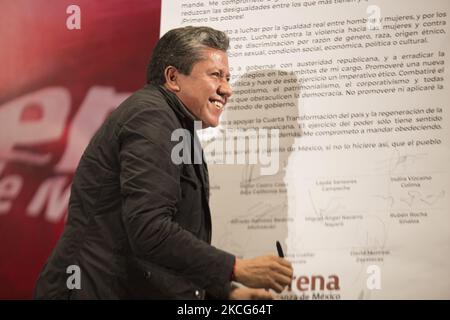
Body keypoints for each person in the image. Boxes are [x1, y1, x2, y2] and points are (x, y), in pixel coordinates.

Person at [33, 26, 293, 299]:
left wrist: (226, 293)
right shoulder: (151, 117)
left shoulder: (178, 126)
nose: (227, 89)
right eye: (216, 75)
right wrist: (235, 268)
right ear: (173, 77)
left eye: (228, 77)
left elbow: (165, 242)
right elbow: (149, 229)